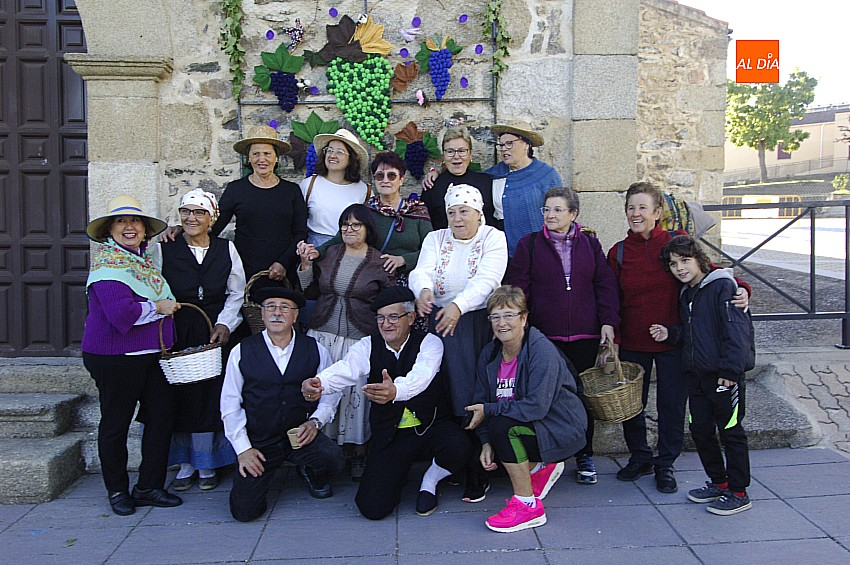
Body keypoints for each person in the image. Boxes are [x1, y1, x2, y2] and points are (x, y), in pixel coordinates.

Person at [607, 181, 749, 494]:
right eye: (631, 207)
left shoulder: (674, 244)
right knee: (633, 406)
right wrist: (613, 338)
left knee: (672, 406)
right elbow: (611, 299)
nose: (636, 213)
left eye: (643, 207)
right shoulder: (617, 253)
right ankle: (640, 456)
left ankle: (665, 462)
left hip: (675, 340)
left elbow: (711, 272)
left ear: (657, 212)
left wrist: (742, 290)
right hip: (633, 341)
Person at [302, 286, 471, 519]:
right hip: (392, 434)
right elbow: (346, 368)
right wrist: (319, 383)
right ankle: (397, 474)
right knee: (372, 507)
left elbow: (421, 377)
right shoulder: (367, 345)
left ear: (411, 318)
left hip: (429, 426)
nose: (386, 324)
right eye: (381, 318)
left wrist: (395, 391)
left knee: (460, 445)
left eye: (393, 317)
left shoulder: (430, 342)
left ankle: (429, 481)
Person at [505, 187, 620, 485]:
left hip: (585, 333)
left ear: (573, 214)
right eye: (547, 209)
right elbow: (518, 290)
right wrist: (522, 330)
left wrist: (608, 322)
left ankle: (585, 454)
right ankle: (545, 456)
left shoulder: (590, 245)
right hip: (545, 337)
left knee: (583, 396)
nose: (551, 215)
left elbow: (604, 284)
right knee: (543, 396)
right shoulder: (529, 245)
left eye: (557, 210)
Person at [81, 195, 183, 516]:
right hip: (116, 356)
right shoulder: (108, 265)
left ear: (144, 230)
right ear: (110, 229)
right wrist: (158, 307)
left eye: (135, 221)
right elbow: (120, 314)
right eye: (122, 222)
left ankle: (149, 486)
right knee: (116, 423)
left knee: (161, 416)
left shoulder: (142, 263)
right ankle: (117, 490)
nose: (130, 227)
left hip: (150, 355)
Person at [409, 184, 508, 502]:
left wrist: (458, 306)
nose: (457, 218)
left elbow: (488, 279)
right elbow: (421, 270)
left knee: (473, 391)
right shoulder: (435, 238)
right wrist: (423, 290)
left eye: (464, 211)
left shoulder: (493, 237)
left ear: (479, 214)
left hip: (475, 324)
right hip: (440, 321)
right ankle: (454, 460)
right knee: (444, 392)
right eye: (451, 212)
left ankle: (479, 470)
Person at [465, 286, 587, 533]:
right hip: (528, 424)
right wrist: (486, 442)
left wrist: (489, 411)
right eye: (495, 317)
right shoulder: (490, 354)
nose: (502, 323)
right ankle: (543, 467)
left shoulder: (540, 350)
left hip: (559, 426)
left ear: (524, 318)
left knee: (503, 426)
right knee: (494, 430)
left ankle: (527, 506)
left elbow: (536, 406)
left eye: (509, 315)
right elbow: (480, 399)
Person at [220, 287, 345, 522]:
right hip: (260, 440)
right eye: (271, 307)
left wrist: (315, 422)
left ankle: (309, 470)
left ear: (295, 315)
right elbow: (230, 404)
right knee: (245, 512)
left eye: (285, 308)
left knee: (333, 459)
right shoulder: (242, 351)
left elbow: (331, 393)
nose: (277, 313)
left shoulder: (315, 349)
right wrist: (243, 449)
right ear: (263, 313)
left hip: (299, 435)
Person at [650, 236, 752, 515]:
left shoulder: (722, 286)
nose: (680, 268)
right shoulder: (687, 293)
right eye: (673, 264)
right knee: (700, 431)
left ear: (699, 259)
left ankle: (739, 491)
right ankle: (719, 483)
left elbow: (736, 331)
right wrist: (670, 333)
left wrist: (730, 370)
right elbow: (694, 333)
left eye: (685, 260)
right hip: (696, 376)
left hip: (723, 376)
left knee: (730, 432)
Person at [296, 204, 392, 480]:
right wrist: (305, 266)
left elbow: (385, 300)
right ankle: (321, 454)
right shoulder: (331, 254)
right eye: (345, 225)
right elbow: (311, 290)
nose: (349, 230)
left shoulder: (378, 261)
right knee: (323, 392)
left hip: (358, 338)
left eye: (356, 225)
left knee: (355, 398)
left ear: (367, 229)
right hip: (323, 334)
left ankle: (358, 453)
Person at [157, 189, 244, 491]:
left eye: (198, 213)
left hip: (213, 334)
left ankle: (208, 463)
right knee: (181, 395)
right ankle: (184, 463)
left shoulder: (226, 249)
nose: (191, 218)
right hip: (177, 331)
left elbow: (236, 292)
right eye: (186, 212)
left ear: (211, 218)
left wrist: (225, 324)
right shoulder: (165, 248)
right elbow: (155, 289)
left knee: (210, 397)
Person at [314, 151, 433, 281]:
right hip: (372, 279)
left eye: (392, 176)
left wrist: (403, 260)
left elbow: (431, 250)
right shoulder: (366, 211)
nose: (385, 180)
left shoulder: (417, 210)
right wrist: (316, 252)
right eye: (380, 176)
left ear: (401, 180)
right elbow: (339, 239)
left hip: (410, 278)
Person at [212, 125, 307, 285]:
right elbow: (215, 225)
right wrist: (183, 231)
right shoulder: (236, 189)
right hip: (244, 268)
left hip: (282, 270)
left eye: (267, 154)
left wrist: (283, 262)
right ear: (248, 158)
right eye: (256, 154)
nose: (261, 159)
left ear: (276, 158)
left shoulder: (291, 191)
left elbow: (300, 233)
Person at [485, 121, 562, 256]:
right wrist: (436, 172)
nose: (504, 148)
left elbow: (561, 214)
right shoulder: (493, 175)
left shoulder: (546, 175)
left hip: (539, 251)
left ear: (526, 144)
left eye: (509, 143)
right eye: (501, 144)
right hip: (501, 254)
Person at [300, 128, 371, 246]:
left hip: (349, 250)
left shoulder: (364, 191)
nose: (332, 155)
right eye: (329, 150)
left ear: (351, 159)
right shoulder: (309, 185)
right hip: (315, 250)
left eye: (339, 152)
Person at [421, 126, 498, 230]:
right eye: (450, 151)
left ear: (470, 154)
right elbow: (426, 227)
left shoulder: (487, 182)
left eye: (462, 151)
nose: (456, 156)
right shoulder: (432, 186)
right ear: (444, 155)